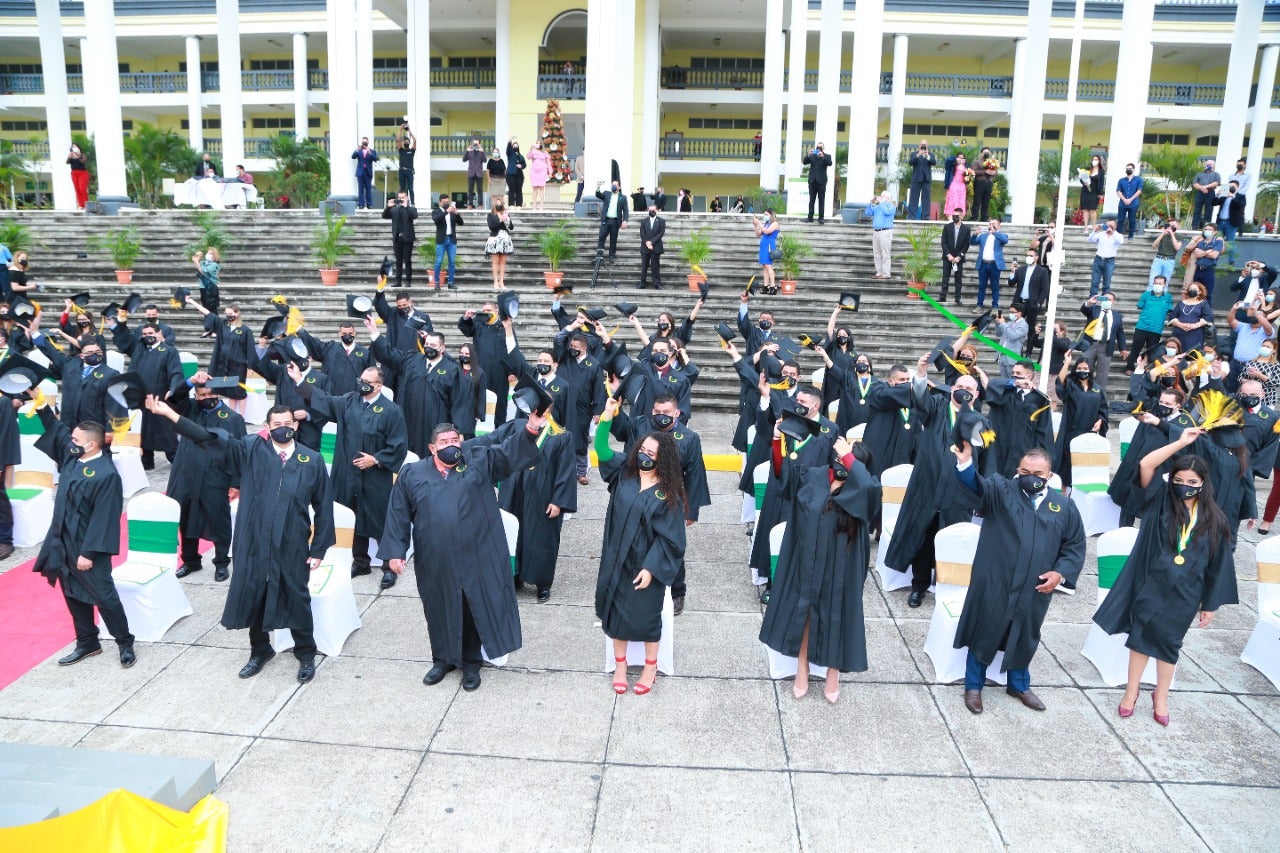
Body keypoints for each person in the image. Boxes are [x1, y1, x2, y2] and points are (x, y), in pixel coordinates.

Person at [155, 399, 334, 682]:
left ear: (296, 425)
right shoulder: (250, 450)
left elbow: (325, 507)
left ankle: (305, 652)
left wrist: (319, 547)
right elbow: (206, 436)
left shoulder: (310, 459)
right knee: (255, 593)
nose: (283, 429)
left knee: (296, 596)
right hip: (253, 539)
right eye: (277, 425)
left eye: (288, 424)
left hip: (292, 540)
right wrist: (170, 414)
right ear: (267, 427)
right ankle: (260, 649)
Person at [381, 414, 546, 692]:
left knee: (471, 608)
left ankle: (471, 663)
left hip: (476, 554)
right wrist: (395, 552)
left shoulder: (478, 462)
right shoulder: (412, 473)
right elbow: (398, 513)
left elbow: (508, 454)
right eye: (444, 442)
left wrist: (530, 430)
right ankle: (442, 659)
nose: (451, 445)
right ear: (431, 448)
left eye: (455, 440)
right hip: (435, 557)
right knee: (438, 606)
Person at [1094, 436, 1236, 726]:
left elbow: (1218, 564)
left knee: (1170, 644)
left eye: (1192, 481)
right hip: (1152, 583)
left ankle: (1160, 696)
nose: (1185, 486)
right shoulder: (1161, 502)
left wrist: (1209, 604)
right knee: (1141, 639)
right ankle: (1131, 692)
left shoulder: (1215, 519)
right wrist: (1180, 442)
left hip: (1187, 591)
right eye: (1179, 480)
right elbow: (1146, 464)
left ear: (1203, 484)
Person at [950, 443, 1085, 714]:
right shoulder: (1001, 490)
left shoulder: (1063, 506)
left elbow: (1074, 546)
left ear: (1049, 475)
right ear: (1017, 471)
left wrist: (1059, 574)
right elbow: (977, 487)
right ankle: (974, 686)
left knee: (1025, 633)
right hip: (996, 580)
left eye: (1037, 472)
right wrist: (965, 464)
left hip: (1034, 587)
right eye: (1025, 471)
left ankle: (1019, 685)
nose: (1030, 477)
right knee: (985, 628)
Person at [763, 436, 879, 703]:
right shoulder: (813, 478)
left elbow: (871, 489)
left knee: (836, 615)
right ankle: (801, 668)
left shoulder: (862, 490)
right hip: (808, 560)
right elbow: (783, 476)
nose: (840, 464)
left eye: (847, 461)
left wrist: (849, 457)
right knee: (805, 614)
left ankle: (833, 673)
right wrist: (779, 440)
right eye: (837, 458)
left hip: (843, 567)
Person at [594, 397, 687, 695]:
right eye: (643, 450)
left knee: (647, 619)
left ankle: (650, 667)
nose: (646, 456)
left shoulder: (667, 494)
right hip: (616, 559)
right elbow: (602, 450)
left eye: (653, 454)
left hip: (646, 565)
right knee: (615, 616)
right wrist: (607, 418)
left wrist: (651, 568)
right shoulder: (625, 473)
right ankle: (620, 665)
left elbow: (671, 539)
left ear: (664, 460)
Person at [29, 403, 133, 667]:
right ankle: (88, 642)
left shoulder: (106, 474)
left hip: (88, 546)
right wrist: (41, 406)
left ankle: (124, 641)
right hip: (63, 541)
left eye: (76, 440)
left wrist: (89, 553)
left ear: (91, 445)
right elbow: (57, 430)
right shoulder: (72, 458)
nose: (70, 443)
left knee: (104, 596)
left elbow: (105, 518)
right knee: (72, 592)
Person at [291, 363, 407, 589]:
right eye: (360, 380)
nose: (361, 385)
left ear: (379, 385)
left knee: (380, 521)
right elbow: (323, 399)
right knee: (353, 516)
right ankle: (361, 561)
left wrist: (375, 459)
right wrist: (299, 381)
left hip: (375, 476)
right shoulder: (349, 401)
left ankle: (388, 567)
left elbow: (399, 446)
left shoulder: (392, 411)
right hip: (347, 473)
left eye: (367, 382)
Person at [610, 392, 711, 616]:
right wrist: (614, 411)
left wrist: (691, 509)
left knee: (671, 546)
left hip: (670, 501)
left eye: (666, 413)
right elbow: (619, 430)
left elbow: (695, 474)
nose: (661, 416)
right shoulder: (639, 425)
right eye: (657, 412)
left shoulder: (689, 438)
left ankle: (677, 592)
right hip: (639, 495)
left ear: (677, 413)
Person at [166, 372, 245, 583]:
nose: (204, 399)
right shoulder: (190, 409)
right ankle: (190, 560)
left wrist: (236, 483)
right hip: (186, 473)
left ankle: (221, 563)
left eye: (209, 394)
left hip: (215, 476)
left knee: (218, 520)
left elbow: (239, 453)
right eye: (200, 394)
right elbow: (172, 400)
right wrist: (190, 381)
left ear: (218, 394)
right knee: (186, 518)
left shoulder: (232, 418)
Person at [367, 318, 459, 457]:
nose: (429, 347)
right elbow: (390, 354)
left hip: (433, 423)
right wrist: (374, 332)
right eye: (427, 344)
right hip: (408, 419)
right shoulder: (412, 359)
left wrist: (459, 430)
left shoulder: (451, 369)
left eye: (433, 345)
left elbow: (459, 401)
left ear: (442, 348)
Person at [111, 318, 184, 469]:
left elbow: (176, 372)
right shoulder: (139, 349)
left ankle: (176, 459)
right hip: (141, 397)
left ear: (159, 333)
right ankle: (146, 460)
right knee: (143, 430)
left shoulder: (169, 351)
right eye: (144, 333)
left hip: (160, 397)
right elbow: (125, 343)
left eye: (150, 333)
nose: (147, 336)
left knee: (165, 430)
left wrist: (173, 388)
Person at [984, 360, 1054, 477]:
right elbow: (992, 385)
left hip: (1024, 449)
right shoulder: (1005, 392)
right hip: (1000, 446)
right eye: (1013, 372)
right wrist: (1015, 383)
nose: (1014, 375)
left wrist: (1038, 454)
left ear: (1029, 376)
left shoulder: (1040, 400)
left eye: (1018, 373)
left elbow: (1043, 431)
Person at [1055, 356, 1108, 501]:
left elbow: (1103, 409)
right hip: (1071, 430)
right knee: (1066, 466)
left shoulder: (1097, 389)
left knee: (1085, 465)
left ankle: (1079, 496)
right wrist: (1066, 362)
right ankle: (1063, 495)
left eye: (1085, 368)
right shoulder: (1071, 384)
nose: (1082, 371)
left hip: (1089, 431)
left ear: (1091, 370)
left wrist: (1101, 421)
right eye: (1079, 368)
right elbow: (1060, 382)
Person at [458, 302, 513, 429]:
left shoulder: (504, 326)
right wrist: (466, 318)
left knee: (500, 402)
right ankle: (474, 428)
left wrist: (511, 371)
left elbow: (512, 349)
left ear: (496, 311)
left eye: (488, 310)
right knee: (477, 399)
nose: (486, 312)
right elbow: (466, 330)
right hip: (480, 370)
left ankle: (500, 430)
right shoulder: (478, 324)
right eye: (483, 310)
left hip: (500, 371)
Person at [296, 321, 376, 397]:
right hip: (331, 396)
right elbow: (314, 345)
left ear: (354, 333)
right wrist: (302, 332)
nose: (347, 335)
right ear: (339, 334)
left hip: (354, 398)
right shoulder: (329, 349)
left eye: (350, 333)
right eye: (344, 333)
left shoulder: (365, 353)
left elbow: (372, 374)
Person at [1079, 293, 1126, 397]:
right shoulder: (1094, 310)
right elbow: (1084, 310)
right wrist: (1089, 303)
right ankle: (1082, 393)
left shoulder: (1117, 316)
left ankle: (1099, 397)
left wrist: (1123, 348)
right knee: (1085, 370)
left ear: (1113, 302)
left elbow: (1120, 332)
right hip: (1090, 344)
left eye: (1109, 299)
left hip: (1106, 346)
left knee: (1102, 375)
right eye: (1105, 299)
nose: (1107, 301)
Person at [1125, 276, 1174, 373]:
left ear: (1164, 285)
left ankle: (1149, 369)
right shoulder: (1146, 295)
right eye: (1156, 283)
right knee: (1136, 348)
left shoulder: (1168, 297)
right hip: (1142, 326)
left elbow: (1169, 309)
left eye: (1160, 283)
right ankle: (1129, 367)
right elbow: (1140, 306)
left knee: (1152, 351)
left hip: (1156, 329)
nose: (1157, 285)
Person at [1228, 297, 1274, 392]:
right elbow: (1231, 321)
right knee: (1230, 389)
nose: (1255, 315)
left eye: (1259, 315)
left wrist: (1257, 312)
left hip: (1252, 367)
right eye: (1254, 314)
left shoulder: (1266, 331)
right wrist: (1234, 309)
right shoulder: (1243, 326)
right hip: (1235, 364)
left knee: (1248, 392)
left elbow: (1268, 327)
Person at [1009, 250, 1049, 345]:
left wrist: (1038, 303)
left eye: (1031, 255)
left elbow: (1045, 290)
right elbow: (1011, 283)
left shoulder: (1042, 271)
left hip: (1032, 303)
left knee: (1031, 328)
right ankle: (1017, 349)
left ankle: (1029, 352)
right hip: (1019, 303)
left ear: (1036, 257)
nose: (1028, 257)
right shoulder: (1021, 270)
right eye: (1027, 255)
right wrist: (1012, 272)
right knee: (1015, 325)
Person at [970, 218, 1008, 309]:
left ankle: (995, 306)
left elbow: (1005, 240)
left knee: (995, 286)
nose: (991, 225)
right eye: (990, 223)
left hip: (995, 265)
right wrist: (975, 234)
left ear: (999, 225)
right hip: (983, 264)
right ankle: (979, 305)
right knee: (982, 286)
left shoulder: (1002, 235)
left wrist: (994, 232)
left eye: (993, 224)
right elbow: (972, 242)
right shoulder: (983, 236)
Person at [383, 190, 417, 288]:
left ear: (407, 198)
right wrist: (388, 206)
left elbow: (415, 215)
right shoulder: (394, 209)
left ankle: (408, 281)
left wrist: (406, 206)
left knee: (407, 260)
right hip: (397, 238)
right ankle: (398, 281)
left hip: (407, 238)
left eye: (403, 197)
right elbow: (384, 216)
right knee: (398, 260)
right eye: (400, 197)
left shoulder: (411, 208)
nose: (401, 199)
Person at [1181, 222, 1225, 301]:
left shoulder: (1218, 241)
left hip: (1208, 270)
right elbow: (1196, 253)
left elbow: (1214, 255)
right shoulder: (1200, 242)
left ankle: (1206, 312)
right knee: (1195, 293)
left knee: (1207, 295)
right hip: (1198, 270)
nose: (1207, 231)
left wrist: (1203, 253)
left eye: (1210, 229)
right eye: (1206, 229)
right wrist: (1208, 252)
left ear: (1215, 232)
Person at [1169, 282, 1213, 354]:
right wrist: (1180, 325)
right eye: (1191, 289)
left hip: (1195, 335)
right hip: (1179, 334)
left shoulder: (1203, 303)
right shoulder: (1181, 303)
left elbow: (1208, 317)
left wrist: (1194, 325)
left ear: (1200, 292)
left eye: (1195, 289)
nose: (1192, 290)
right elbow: (1172, 316)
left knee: (1192, 356)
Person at [431, 193, 462, 291]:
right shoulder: (436, 211)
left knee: (452, 262)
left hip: (451, 240)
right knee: (439, 261)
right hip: (441, 240)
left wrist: (457, 213)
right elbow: (436, 220)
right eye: (444, 202)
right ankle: (436, 282)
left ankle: (451, 282)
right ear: (440, 202)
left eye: (447, 202)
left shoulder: (452, 213)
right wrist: (445, 212)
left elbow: (461, 223)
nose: (446, 204)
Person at [939, 208, 970, 304]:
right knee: (945, 278)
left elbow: (966, 244)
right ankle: (943, 297)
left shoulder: (966, 229)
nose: (954, 217)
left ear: (961, 216)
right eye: (953, 215)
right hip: (947, 257)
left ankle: (957, 298)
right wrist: (948, 255)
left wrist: (959, 257)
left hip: (958, 258)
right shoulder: (947, 227)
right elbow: (943, 242)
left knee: (958, 279)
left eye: (957, 215)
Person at [1086, 219, 1124, 297]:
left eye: (1111, 225)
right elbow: (1089, 240)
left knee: (1107, 283)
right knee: (1095, 281)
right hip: (1098, 259)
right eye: (1107, 225)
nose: (1109, 227)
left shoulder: (1118, 235)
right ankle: (1093, 300)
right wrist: (1095, 230)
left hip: (1109, 260)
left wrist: (1112, 232)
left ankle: (1104, 301)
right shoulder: (1101, 234)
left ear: (1115, 226)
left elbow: (1121, 241)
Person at [595, 180, 629, 262]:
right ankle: (599, 256)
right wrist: (598, 187)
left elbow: (626, 210)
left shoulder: (623, 197)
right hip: (605, 220)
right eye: (612, 185)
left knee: (613, 239)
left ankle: (612, 256)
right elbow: (598, 195)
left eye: (615, 185)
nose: (613, 186)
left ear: (619, 187)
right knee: (601, 237)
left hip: (615, 221)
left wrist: (625, 220)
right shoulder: (607, 194)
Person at [485, 199, 515, 289]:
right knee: (495, 261)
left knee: (503, 262)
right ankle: (495, 282)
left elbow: (511, 227)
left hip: (505, 239)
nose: (498, 205)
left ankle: (502, 282)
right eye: (497, 204)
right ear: (494, 205)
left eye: (500, 204)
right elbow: (491, 227)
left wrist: (507, 220)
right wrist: (500, 220)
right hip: (495, 239)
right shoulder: (490, 215)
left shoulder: (505, 213)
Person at [993, 306, 1029, 379]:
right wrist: (997, 323)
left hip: (1011, 357)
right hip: (1001, 355)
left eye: (1013, 312)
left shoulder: (1024, 325)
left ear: (1019, 313)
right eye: (1010, 312)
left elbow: (1013, 336)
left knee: (1012, 381)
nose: (1011, 314)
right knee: (1004, 381)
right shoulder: (1009, 324)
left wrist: (1003, 323)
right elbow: (998, 334)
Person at [803, 142, 833, 224]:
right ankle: (810, 217)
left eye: (821, 147)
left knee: (821, 199)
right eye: (818, 147)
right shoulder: (812, 155)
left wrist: (822, 156)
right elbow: (804, 162)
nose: (819, 148)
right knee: (812, 199)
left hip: (821, 181)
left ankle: (821, 218)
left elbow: (830, 163)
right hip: (812, 180)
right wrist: (808, 154)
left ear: (823, 148)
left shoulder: (827, 156)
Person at [1148, 219, 1182, 291]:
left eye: (1173, 226)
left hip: (1169, 260)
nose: (1171, 227)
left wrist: (1172, 234)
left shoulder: (1179, 236)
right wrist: (1162, 234)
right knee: (1152, 281)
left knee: (1165, 283)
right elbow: (1154, 246)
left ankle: (1163, 300)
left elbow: (1177, 247)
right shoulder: (1163, 235)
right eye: (1170, 225)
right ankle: (1149, 299)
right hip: (1159, 259)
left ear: (1177, 226)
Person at [1216, 180, 1246, 260]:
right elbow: (1214, 203)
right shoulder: (1224, 194)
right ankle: (1214, 259)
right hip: (1220, 222)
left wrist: (1233, 196)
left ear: (1237, 187)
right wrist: (1217, 195)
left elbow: (1240, 205)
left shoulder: (1240, 196)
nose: (1231, 188)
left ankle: (1231, 261)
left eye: (1233, 186)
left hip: (1230, 223)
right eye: (1229, 186)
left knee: (1230, 242)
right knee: (1217, 242)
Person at [639, 201, 665, 289]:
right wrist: (647, 242)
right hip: (645, 247)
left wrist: (651, 242)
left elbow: (661, 233)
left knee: (655, 266)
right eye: (650, 210)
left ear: (657, 211)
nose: (651, 212)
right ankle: (642, 283)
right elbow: (642, 233)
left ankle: (657, 284)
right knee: (644, 266)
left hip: (656, 246)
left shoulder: (661, 221)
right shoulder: (644, 221)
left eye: (653, 210)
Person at [907, 140, 936, 220]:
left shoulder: (931, 154)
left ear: (927, 146)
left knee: (926, 199)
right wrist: (918, 155)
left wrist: (927, 156)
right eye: (922, 144)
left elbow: (934, 162)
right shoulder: (914, 154)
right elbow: (911, 162)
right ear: (919, 146)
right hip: (916, 179)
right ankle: (912, 216)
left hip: (926, 179)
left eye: (925, 145)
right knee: (913, 198)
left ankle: (926, 216)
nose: (923, 146)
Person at [869, 192, 895, 279]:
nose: (881, 197)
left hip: (885, 231)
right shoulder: (878, 206)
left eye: (883, 196)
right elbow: (868, 212)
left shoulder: (891, 206)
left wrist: (881, 203)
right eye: (881, 196)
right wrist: (871, 203)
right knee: (876, 253)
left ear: (887, 198)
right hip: (876, 232)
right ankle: (879, 272)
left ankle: (886, 273)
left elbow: (887, 212)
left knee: (885, 253)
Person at [753, 210, 781, 294]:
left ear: (771, 215)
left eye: (766, 214)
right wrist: (756, 225)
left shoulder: (775, 223)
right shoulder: (766, 223)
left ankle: (773, 286)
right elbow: (758, 234)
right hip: (763, 246)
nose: (764, 216)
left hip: (769, 246)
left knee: (768, 266)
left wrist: (759, 223)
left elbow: (767, 231)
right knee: (764, 266)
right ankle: (766, 286)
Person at [1191, 159, 1221, 230]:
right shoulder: (1199, 174)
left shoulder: (1216, 174)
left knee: (1209, 210)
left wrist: (1206, 187)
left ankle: (1207, 226)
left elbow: (1217, 182)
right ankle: (1195, 227)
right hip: (1200, 193)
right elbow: (1195, 183)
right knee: (1197, 210)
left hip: (1210, 192)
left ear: (1214, 166)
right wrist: (1202, 188)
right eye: (1208, 164)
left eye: (1210, 165)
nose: (1209, 166)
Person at [1115, 163, 1143, 239]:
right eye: (1127, 168)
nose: (1128, 170)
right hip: (1122, 203)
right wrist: (1124, 199)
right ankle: (1118, 235)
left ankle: (1130, 235)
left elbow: (1139, 190)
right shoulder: (1121, 180)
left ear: (1133, 169)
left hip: (1133, 203)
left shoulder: (1138, 179)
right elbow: (1118, 191)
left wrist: (1131, 199)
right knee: (1120, 219)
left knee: (1132, 220)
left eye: (1130, 168)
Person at [190, 247, 222, 312]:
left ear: (214, 256)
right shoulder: (205, 263)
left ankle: (215, 321)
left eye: (210, 254)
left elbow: (203, 272)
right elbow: (198, 263)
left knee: (211, 310)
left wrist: (196, 262)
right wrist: (198, 255)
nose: (208, 255)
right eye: (208, 253)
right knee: (205, 309)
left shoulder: (214, 265)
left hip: (210, 288)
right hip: (203, 288)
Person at [972, 147, 999, 222]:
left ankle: (984, 218)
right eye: (985, 152)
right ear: (981, 153)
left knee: (986, 201)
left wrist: (994, 172)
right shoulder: (977, 162)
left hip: (989, 183)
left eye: (988, 152)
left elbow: (996, 171)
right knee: (977, 201)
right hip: (979, 183)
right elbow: (974, 171)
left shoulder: (993, 162)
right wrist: (985, 171)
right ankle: (974, 217)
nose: (986, 153)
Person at [351, 136, 378, 210]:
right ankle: (361, 204)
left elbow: (375, 159)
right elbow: (353, 157)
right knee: (360, 189)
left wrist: (369, 152)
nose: (364, 143)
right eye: (363, 142)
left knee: (368, 188)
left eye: (365, 142)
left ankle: (369, 204)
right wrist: (356, 150)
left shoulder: (372, 151)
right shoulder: (359, 151)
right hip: (360, 172)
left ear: (368, 142)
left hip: (368, 172)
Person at [942, 152, 970, 220]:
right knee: (953, 201)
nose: (961, 159)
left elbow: (968, 178)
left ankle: (960, 218)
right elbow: (947, 161)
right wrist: (955, 160)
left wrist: (968, 177)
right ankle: (951, 218)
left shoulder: (966, 166)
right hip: (954, 185)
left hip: (962, 186)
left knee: (961, 202)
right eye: (959, 157)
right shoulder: (952, 164)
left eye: (963, 158)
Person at [1080, 154, 1105, 228]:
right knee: (1085, 210)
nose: (1094, 161)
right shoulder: (1088, 169)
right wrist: (1084, 182)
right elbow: (1081, 179)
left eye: (1096, 159)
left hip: (1094, 192)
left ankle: (1094, 226)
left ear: (1099, 161)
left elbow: (1101, 183)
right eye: (1093, 159)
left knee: (1092, 210)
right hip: (1085, 191)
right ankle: (1086, 227)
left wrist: (1101, 193)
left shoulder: (1101, 171)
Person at [461, 138, 485, 209]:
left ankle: (480, 205)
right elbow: (464, 160)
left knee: (480, 190)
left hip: (479, 174)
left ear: (479, 144)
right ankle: (470, 205)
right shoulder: (470, 152)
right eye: (474, 144)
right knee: (470, 190)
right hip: (471, 173)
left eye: (477, 144)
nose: (475, 145)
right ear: (472, 144)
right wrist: (467, 151)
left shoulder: (481, 152)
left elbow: (485, 160)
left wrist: (482, 151)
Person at [527, 140, 551, 211]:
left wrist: (550, 172)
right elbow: (528, 157)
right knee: (534, 188)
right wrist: (531, 148)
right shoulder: (533, 152)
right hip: (534, 171)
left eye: (539, 143)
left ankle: (541, 206)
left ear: (541, 145)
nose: (538, 145)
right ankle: (534, 206)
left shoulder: (545, 152)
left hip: (542, 171)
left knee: (541, 188)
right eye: (537, 143)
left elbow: (548, 163)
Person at [505, 137, 526, 208]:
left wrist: (521, 166)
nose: (515, 146)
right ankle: (511, 204)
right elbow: (508, 149)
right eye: (514, 145)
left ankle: (519, 205)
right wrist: (510, 141)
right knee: (512, 189)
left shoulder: (521, 156)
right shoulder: (510, 154)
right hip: (510, 174)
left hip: (519, 175)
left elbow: (524, 164)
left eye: (516, 146)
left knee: (519, 190)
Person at [67, 142, 89, 209]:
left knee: (82, 189)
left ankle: (86, 204)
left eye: (75, 146)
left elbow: (83, 161)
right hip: (74, 173)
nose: (74, 148)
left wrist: (77, 155)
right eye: (73, 147)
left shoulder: (82, 155)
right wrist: (69, 156)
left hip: (82, 173)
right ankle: (81, 205)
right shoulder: (71, 155)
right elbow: (67, 162)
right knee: (77, 189)